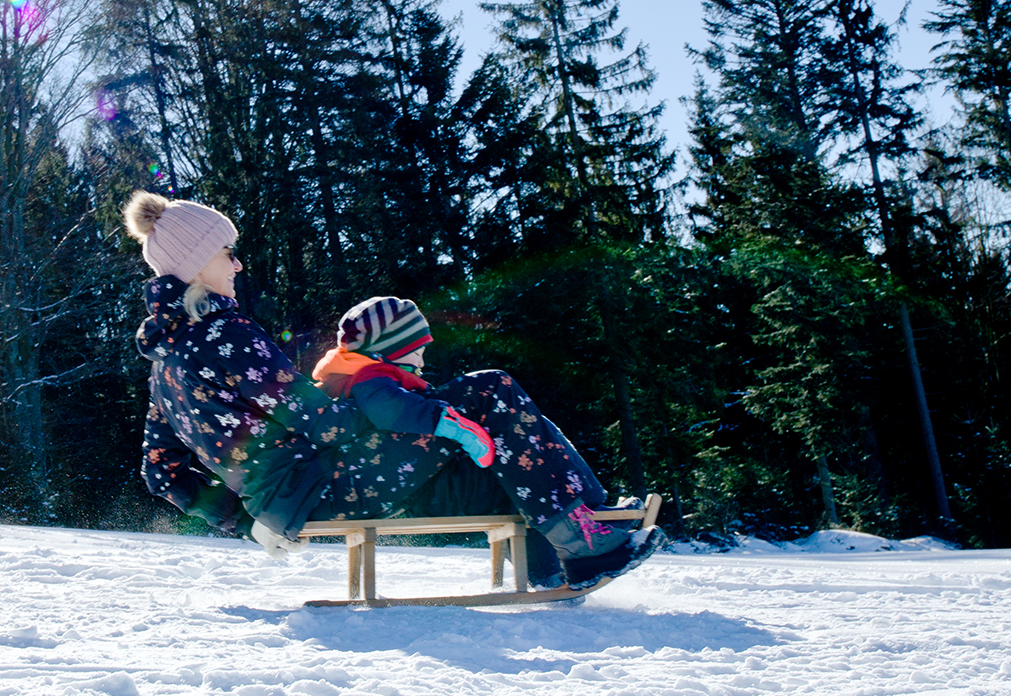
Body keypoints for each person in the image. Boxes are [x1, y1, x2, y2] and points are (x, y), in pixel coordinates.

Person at [124, 192, 659, 592]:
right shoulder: (225, 334)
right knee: (489, 391)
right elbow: (322, 423)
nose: (238, 264)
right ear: (196, 263)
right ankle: (587, 537)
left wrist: (246, 522)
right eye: (227, 252)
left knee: (485, 443)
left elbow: (159, 470)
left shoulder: (165, 366)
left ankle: (553, 564)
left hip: (302, 501)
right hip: (329, 485)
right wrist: (392, 402)